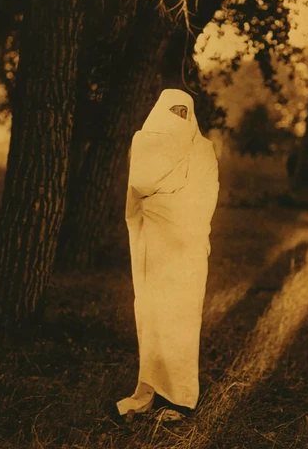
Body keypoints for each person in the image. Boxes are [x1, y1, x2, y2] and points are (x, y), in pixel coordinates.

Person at [117, 89, 219, 419]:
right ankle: (150, 387)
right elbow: (141, 184)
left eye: (183, 112)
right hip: (154, 250)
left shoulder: (202, 151)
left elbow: (202, 202)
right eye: (171, 111)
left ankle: (180, 399)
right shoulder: (147, 142)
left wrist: (165, 207)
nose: (177, 119)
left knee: (180, 321)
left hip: (186, 252)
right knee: (151, 316)